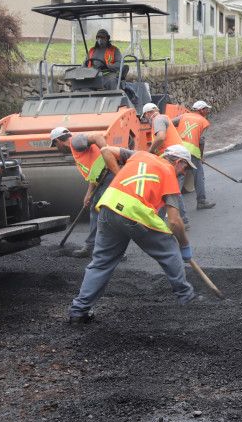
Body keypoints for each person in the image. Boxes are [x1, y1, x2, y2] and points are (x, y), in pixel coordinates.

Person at [67, 144, 198, 323]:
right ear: (178, 161)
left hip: (108, 206)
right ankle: (186, 296)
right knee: (169, 250)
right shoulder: (169, 174)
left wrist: (118, 172)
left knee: (101, 263)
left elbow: (105, 150)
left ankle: (79, 310)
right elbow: (175, 221)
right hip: (135, 213)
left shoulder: (139, 155)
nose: (184, 172)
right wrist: (184, 246)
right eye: (186, 167)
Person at [50, 126, 112, 258]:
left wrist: (108, 156)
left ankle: (111, 250)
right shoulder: (76, 147)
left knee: (107, 215)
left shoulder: (76, 141)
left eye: (55, 145)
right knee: (95, 211)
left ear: (58, 141)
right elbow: (94, 172)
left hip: (108, 177)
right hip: (101, 180)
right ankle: (91, 246)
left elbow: (98, 137)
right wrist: (88, 194)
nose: (57, 148)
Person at [141, 102, 189, 224]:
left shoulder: (158, 119)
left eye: (145, 117)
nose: (146, 120)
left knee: (169, 190)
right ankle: (164, 220)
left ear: (147, 113)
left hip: (173, 159)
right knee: (169, 190)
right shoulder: (164, 118)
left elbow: (161, 137)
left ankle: (163, 221)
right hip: (177, 158)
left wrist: (150, 151)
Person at [172, 100, 215, 210]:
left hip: (179, 149)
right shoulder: (204, 121)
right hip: (192, 151)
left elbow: (170, 123)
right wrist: (200, 156)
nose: (207, 111)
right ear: (201, 110)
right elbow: (201, 141)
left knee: (180, 176)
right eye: (206, 109)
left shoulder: (184, 116)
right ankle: (201, 201)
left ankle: (172, 204)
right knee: (198, 175)